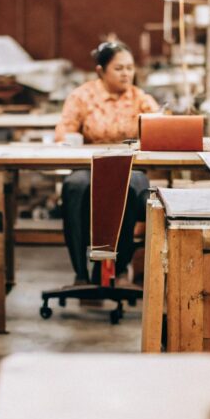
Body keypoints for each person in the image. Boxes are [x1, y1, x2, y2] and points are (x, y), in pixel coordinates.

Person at [55, 41, 160, 285]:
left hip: (129, 166)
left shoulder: (140, 98)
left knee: (133, 185)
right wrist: (73, 139)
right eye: (119, 68)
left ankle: (120, 267)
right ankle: (80, 272)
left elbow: (161, 128)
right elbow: (64, 131)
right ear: (101, 70)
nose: (126, 74)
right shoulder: (82, 97)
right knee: (75, 186)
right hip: (88, 165)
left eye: (130, 68)